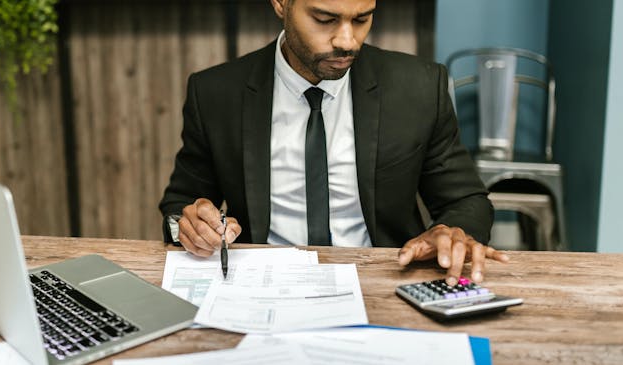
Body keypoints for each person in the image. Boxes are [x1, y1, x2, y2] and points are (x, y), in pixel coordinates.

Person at [159, 0, 508, 286]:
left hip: (385, 280)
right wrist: (190, 226)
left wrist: (452, 232)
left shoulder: (418, 87)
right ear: (281, 4)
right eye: (325, 19)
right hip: (261, 284)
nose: (347, 41)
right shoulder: (216, 93)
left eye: (362, 19)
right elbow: (180, 203)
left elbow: (465, 200)